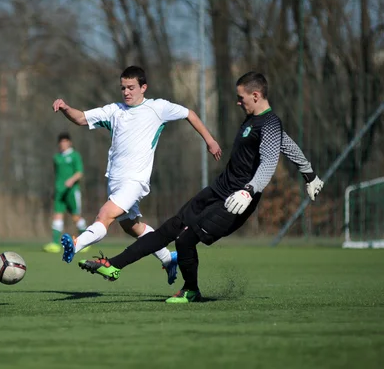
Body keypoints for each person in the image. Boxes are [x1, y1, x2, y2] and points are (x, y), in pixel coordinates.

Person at [78, 71, 325, 302]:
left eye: (241, 98)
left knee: (185, 239)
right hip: (219, 190)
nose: (238, 102)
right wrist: (310, 173)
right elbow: (289, 145)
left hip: (238, 200)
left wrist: (249, 190)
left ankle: (191, 291)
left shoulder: (269, 123)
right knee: (169, 229)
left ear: (256, 95)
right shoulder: (254, 120)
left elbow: (269, 163)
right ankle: (113, 266)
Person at [53, 65, 222, 285]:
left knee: (104, 215)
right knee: (132, 226)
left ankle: (76, 244)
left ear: (144, 87)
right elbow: (82, 118)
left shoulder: (157, 108)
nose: (126, 92)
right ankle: (168, 258)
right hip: (115, 181)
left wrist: (209, 140)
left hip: (135, 182)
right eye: (123, 88)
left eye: (131, 87)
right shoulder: (115, 110)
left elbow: (189, 114)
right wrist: (66, 108)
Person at [43, 132, 89, 253]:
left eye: (65, 141)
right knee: (57, 216)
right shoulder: (57, 158)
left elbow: (79, 172)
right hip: (59, 192)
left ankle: (86, 241)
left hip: (71, 191)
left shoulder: (75, 156)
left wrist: (71, 180)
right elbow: (57, 175)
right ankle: (54, 243)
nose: (62, 144)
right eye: (61, 142)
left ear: (69, 142)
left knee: (76, 217)